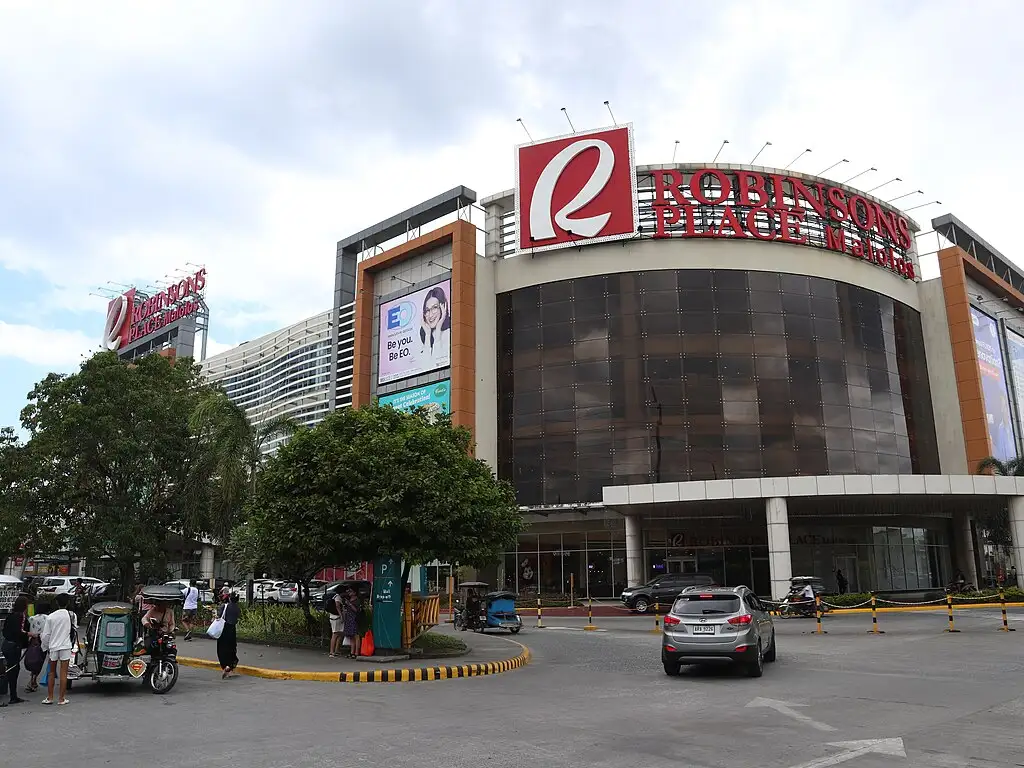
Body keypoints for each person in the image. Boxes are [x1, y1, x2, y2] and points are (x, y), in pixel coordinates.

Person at [41, 592, 78, 706]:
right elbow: (74, 630)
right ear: (67, 603)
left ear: (56, 603)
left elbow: (46, 635)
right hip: (66, 646)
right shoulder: (72, 616)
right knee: (63, 672)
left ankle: (50, 697)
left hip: (53, 646)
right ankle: (61, 698)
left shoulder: (51, 617)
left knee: (51, 672)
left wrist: (45, 646)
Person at [1, 595, 35, 705]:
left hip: (7, 645)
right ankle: (13, 696)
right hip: (13, 646)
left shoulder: (11, 615)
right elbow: (19, 631)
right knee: (13, 670)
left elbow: (6, 630)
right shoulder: (21, 617)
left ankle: (13, 695)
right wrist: (29, 634)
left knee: (12, 669)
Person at [418, 286, 451, 367]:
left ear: (443, 307)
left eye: (434, 308)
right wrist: (428, 335)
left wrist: (439, 328)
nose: (430, 314)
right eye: (427, 310)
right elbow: (425, 367)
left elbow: (439, 363)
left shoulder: (449, 334)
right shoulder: (425, 337)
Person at [216, 594, 241, 679]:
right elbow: (237, 618)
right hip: (232, 630)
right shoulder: (237, 608)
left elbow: (218, 616)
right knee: (232, 649)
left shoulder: (225, 606)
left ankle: (224, 666)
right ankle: (230, 667)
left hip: (223, 630)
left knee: (221, 649)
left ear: (230, 598)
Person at [341, 586, 362, 659]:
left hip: (354, 618)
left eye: (351, 591)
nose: (349, 592)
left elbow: (356, 610)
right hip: (349, 618)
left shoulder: (357, 600)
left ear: (355, 593)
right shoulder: (349, 599)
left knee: (356, 635)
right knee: (351, 636)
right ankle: (352, 652)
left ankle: (357, 652)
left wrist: (349, 604)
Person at [328, 590, 345, 658]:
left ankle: (336, 650)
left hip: (334, 617)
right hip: (336, 617)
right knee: (335, 634)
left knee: (340, 633)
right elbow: (337, 606)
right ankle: (332, 652)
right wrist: (341, 616)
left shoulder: (335, 596)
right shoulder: (337, 597)